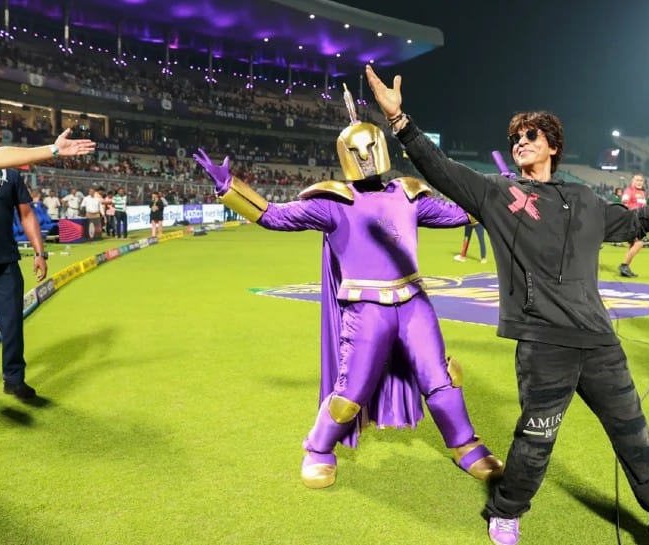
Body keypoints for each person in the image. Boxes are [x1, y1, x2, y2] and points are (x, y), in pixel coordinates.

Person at [366, 64, 649, 545]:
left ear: (553, 146)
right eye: (515, 136)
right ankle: (506, 509)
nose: (521, 141)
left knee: (636, 441)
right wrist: (401, 123)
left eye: (531, 134)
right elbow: (442, 170)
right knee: (536, 441)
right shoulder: (498, 192)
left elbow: (636, 222)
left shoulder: (583, 197)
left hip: (601, 344)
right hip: (544, 346)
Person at [194, 85, 502, 490]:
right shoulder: (333, 200)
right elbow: (273, 216)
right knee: (350, 390)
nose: (367, 157)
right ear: (346, 156)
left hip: (414, 303)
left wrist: (500, 191)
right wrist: (230, 188)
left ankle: (466, 445)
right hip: (366, 308)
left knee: (441, 377)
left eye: (371, 148)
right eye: (357, 152)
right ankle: (318, 448)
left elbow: (464, 212)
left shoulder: (408, 193)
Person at [0, 122, 95, 400]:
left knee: (12, 322)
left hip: (5, 260)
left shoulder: (9, 176)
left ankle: (14, 378)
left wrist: (39, 252)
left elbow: (26, 214)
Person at [618, 173, 648, 277]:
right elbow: (624, 205)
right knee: (639, 244)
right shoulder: (629, 191)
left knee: (632, 246)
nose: (639, 182)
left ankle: (625, 268)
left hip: (639, 222)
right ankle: (624, 265)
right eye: (637, 180)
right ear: (632, 181)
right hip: (631, 221)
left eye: (641, 180)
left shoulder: (642, 193)